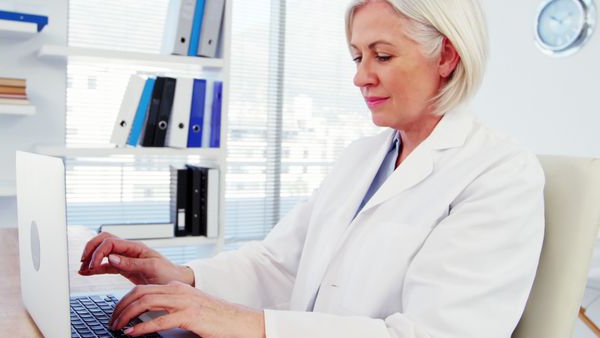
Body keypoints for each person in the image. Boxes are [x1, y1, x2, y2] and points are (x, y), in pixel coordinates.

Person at [79, 0, 545, 337]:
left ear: (446, 56)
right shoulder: (362, 157)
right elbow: (278, 265)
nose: (361, 76)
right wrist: (182, 280)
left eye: (382, 55)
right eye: (358, 56)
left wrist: (249, 324)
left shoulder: (499, 175)